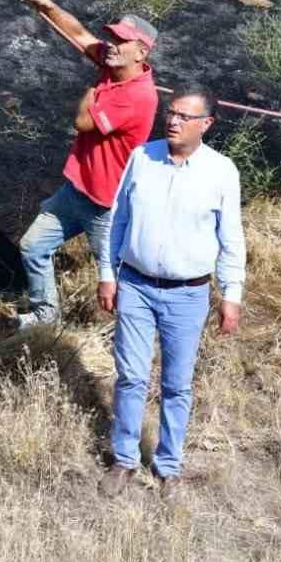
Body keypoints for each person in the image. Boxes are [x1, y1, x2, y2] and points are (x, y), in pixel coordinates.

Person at [95, 84, 246, 500]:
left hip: (188, 294)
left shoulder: (221, 172)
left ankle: (168, 466)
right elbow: (116, 221)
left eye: (184, 116)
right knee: (131, 376)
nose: (173, 121)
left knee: (177, 384)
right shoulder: (142, 158)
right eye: (171, 113)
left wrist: (231, 295)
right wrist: (108, 273)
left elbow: (231, 239)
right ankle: (124, 459)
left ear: (206, 124)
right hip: (137, 286)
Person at [9, 0, 161, 329]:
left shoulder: (136, 97)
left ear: (141, 52)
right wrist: (46, 5)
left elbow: (82, 121)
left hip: (106, 207)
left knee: (117, 278)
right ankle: (45, 315)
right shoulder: (116, 67)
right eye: (112, 37)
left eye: (121, 41)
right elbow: (78, 35)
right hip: (77, 191)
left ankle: (136, 329)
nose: (111, 44)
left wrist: (91, 93)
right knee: (33, 247)